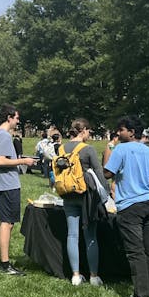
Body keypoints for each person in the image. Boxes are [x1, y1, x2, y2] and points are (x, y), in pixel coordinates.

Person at [103, 115, 149, 297]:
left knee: (135, 251)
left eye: (121, 129)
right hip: (148, 203)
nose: (118, 133)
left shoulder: (121, 149)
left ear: (131, 132)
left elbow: (108, 173)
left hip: (129, 205)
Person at [58, 118, 109, 286]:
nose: (89, 135)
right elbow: (99, 172)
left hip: (67, 194)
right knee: (90, 235)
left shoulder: (61, 148)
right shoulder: (88, 150)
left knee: (72, 235)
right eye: (89, 131)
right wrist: (107, 193)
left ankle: (75, 275)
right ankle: (94, 275)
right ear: (84, 130)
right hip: (87, 196)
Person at [0, 104, 36, 275]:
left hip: (4, 184)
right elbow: (1, 161)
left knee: (6, 222)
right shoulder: (4, 136)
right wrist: (24, 161)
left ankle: (4, 261)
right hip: (8, 185)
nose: (18, 121)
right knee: (7, 223)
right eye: (16, 118)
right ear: (9, 118)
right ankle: (5, 264)